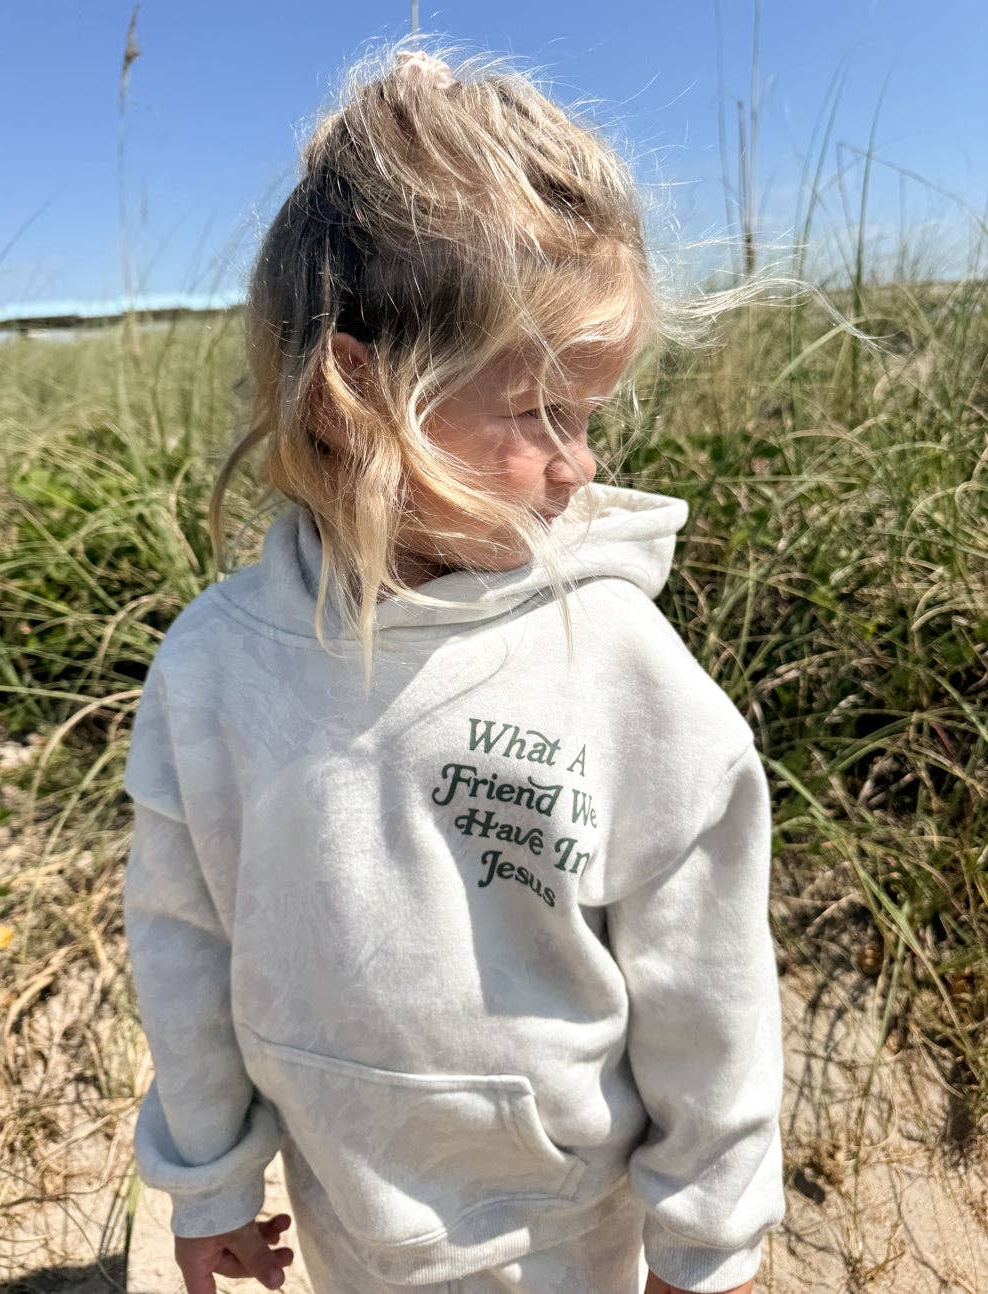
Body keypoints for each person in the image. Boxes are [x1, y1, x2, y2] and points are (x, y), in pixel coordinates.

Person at [121, 38, 791, 1294]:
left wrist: (707, 1244)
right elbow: (183, 938)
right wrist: (208, 1179)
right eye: (538, 413)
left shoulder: (617, 666)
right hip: (342, 1207)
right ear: (354, 393)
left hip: (563, 1229)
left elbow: (706, 985)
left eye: (587, 415)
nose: (579, 464)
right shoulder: (214, 671)